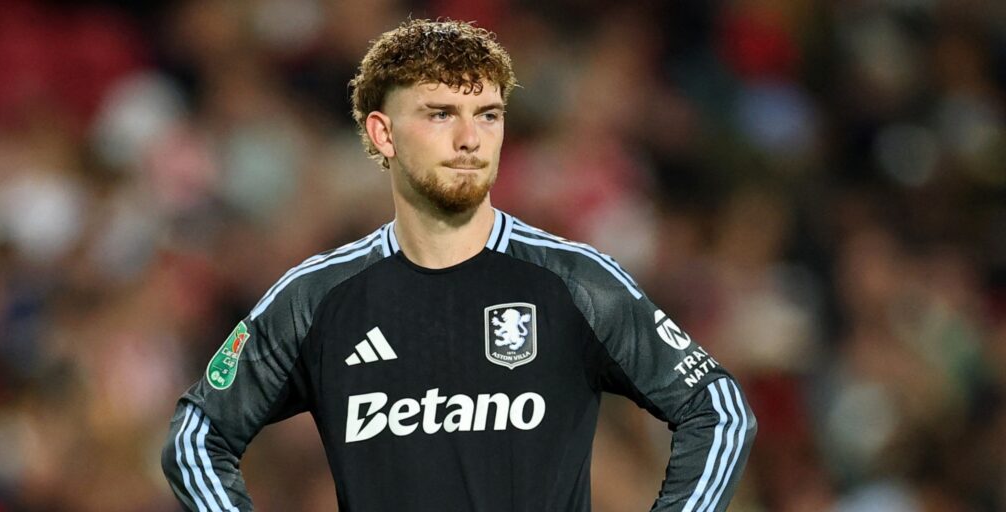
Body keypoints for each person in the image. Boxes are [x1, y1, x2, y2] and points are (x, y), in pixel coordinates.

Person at [162, 18, 755, 511]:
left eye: (489, 114)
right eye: (441, 114)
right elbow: (196, 437)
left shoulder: (575, 282)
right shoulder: (317, 298)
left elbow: (719, 412)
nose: (470, 138)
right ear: (383, 133)